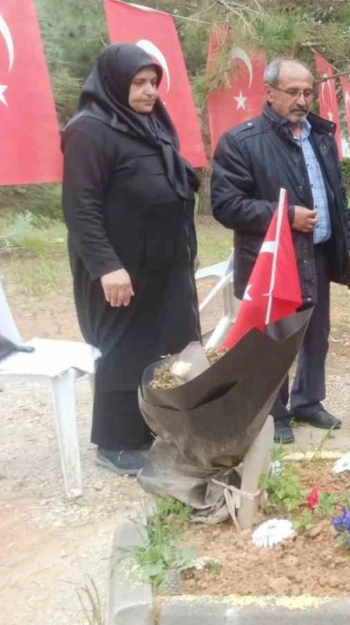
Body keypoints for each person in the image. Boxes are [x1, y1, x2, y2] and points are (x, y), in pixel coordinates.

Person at [61, 44, 201, 475]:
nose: (149, 92)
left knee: (177, 343)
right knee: (126, 349)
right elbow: (79, 206)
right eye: (139, 83)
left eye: (154, 83)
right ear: (114, 83)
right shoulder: (88, 130)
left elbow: (173, 186)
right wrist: (106, 266)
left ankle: (161, 426)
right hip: (121, 268)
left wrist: (186, 250)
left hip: (167, 261)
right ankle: (117, 442)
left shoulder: (152, 125)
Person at [211, 58, 350, 445]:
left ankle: (308, 402)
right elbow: (226, 205)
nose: (302, 99)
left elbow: (336, 195)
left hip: (321, 252)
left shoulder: (320, 136)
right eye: (292, 92)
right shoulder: (241, 141)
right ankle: (273, 412)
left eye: (308, 91)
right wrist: (285, 215)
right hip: (273, 261)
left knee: (315, 334)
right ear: (270, 93)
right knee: (273, 337)